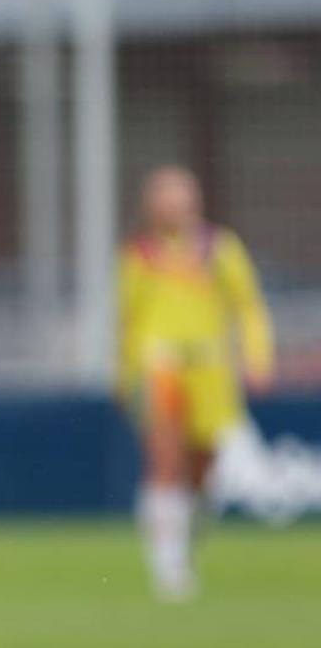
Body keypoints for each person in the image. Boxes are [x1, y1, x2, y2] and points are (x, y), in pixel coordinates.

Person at [118, 165, 274, 601]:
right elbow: (128, 320)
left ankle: (183, 544)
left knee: (203, 466)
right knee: (166, 460)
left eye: (180, 194)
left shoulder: (220, 250)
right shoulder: (140, 255)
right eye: (165, 195)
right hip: (160, 367)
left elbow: (248, 306)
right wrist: (124, 375)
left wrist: (257, 357)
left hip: (211, 368)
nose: (174, 204)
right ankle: (167, 563)